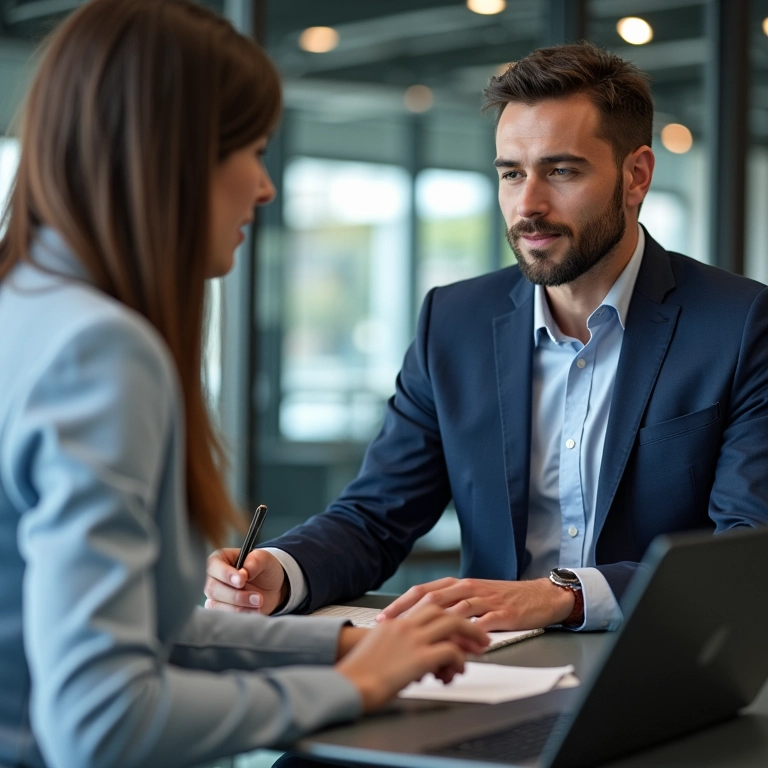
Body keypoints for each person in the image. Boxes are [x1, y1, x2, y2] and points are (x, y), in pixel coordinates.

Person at [0, 2, 489, 767]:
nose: (264, 189)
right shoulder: (99, 350)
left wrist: (358, 642)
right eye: (254, 151)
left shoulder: (25, 311)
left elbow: (151, 634)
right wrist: (352, 687)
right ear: (173, 155)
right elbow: (98, 722)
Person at [205, 40, 768, 635]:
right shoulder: (453, 322)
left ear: (636, 176)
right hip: (489, 666)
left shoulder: (739, 323)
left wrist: (563, 596)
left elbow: (747, 547)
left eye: (561, 170)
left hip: (662, 659)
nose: (528, 205)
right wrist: (282, 570)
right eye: (511, 174)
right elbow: (376, 515)